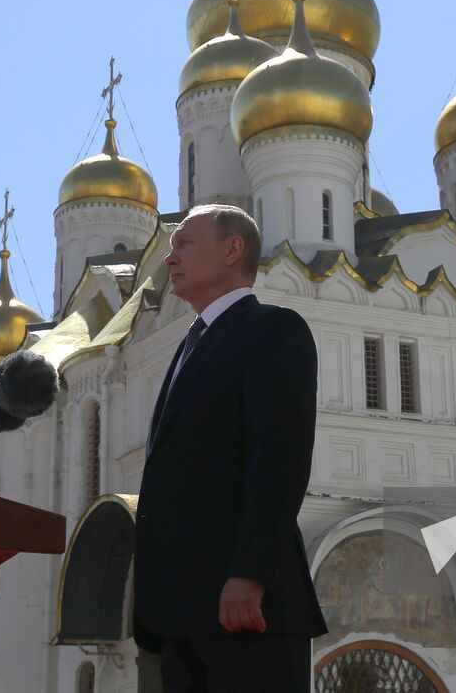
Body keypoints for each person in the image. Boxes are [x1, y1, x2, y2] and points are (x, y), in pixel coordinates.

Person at [133, 204, 328, 691]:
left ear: (232, 249)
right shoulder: (190, 344)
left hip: (244, 608)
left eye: (184, 243)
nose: (170, 257)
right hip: (182, 614)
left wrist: (250, 573)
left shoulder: (271, 330)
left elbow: (279, 461)